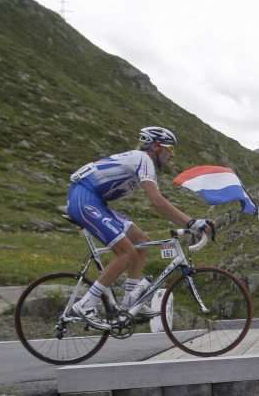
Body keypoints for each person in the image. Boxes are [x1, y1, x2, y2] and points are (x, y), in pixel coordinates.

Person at [66, 126, 215, 322]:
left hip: (95, 201)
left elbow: (158, 201)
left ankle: (129, 303)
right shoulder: (144, 159)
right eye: (169, 149)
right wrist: (192, 222)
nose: (172, 155)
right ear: (155, 146)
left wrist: (189, 223)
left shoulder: (143, 162)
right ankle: (85, 305)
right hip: (83, 198)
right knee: (127, 252)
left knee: (141, 241)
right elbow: (157, 201)